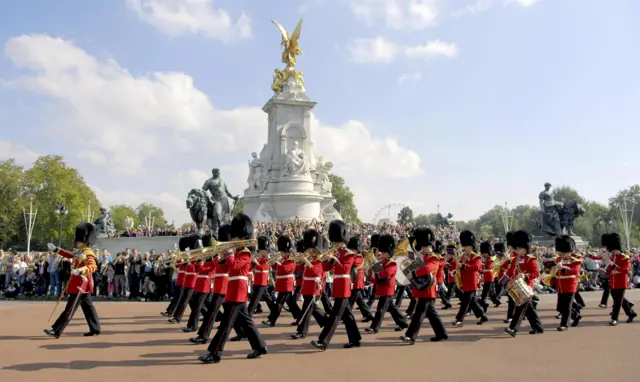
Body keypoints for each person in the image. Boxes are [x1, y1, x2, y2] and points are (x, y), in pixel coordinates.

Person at [198, 213, 267, 364]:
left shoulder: (246, 254)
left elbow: (234, 266)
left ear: (243, 238)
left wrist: (228, 255)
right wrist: (222, 257)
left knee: (225, 325)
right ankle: (260, 346)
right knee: (247, 323)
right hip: (234, 291)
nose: (233, 241)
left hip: (237, 292)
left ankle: (215, 353)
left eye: (235, 238)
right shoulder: (237, 253)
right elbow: (225, 267)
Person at [311, 220, 362, 350]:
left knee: (334, 316)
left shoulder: (349, 254)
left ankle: (323, 341)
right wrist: (323, 260)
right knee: (348, 316)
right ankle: (355, 339)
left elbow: (344, 269)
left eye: (336, 241)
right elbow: (327, 268)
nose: (334, 244)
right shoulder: (337, 253)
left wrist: (332, 259)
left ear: (342, 241)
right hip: (338, 285)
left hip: (344, 287)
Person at [44, 222, 101, 338]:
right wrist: (55, 249)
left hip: (81, 285)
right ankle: (95, 328)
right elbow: (69, 254)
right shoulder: (80, 251)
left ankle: (56, 330)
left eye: (79, 240)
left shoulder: (88, 253)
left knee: (69, 309)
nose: (76, 241)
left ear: (84, 240)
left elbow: (93, 267)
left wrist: (80, 271)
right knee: (88, 308)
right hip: (80, 285)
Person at [400, 227, 448, 344]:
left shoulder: (434, 258)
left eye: (424, 247)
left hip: (428, 289)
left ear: (429, 246)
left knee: (419, 313)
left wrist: (414, 273)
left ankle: (410, 336)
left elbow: (428, 268)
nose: (422, 249)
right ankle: (442, 334)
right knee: (431, 313)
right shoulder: (422, 257)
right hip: (423, 288)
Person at [189, 224, 231, 345]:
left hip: (223, 287)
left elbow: (228, 267)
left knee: (213, 312)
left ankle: (203, 335)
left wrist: (225, 255)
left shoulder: (224, 257)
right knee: (234, 314)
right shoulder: (217, 259)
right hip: (218, 288)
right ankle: (242, 331)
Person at [290, 228, 329, 339]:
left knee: (306, 309)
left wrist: (306, 261)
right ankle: (326, 321)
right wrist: (300, 262)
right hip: (307, 285)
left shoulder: (319, 259)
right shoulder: (311, 258)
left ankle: (301, 332)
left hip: (314, 286)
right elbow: (302, 270)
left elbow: (316, 271)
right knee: (312, 307)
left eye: (311, 249)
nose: (309, 251)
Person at [365, 234, 408, 334]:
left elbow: (386, 273)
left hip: (388, 289)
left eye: (384, 252)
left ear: (388, 253)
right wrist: (371, 274)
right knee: (392, 308)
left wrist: (376, 274)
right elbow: (377, 277)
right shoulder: (382, 262)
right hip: (383, 289)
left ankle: (374, 327)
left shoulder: (392, 263)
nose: (382, 254)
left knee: (380, 310)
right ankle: (403, 322)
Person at [505, 230, 544, 337]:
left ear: (525, 247)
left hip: (527, 287)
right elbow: (512, 272)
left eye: (519, 248)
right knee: (529, 310)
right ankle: (538, 327)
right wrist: (508, 281)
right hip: (518, 287)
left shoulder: (531, 259)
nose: (517, 250)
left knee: (520, 308)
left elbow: (536, 273)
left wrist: (525, 276)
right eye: (516, 248)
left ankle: (513, 328)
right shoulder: (515, 260)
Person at [453, 230, 488, 327]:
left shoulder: (476, 257)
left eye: (466, 246)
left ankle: (459, 320)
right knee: (472, 302)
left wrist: (463, 266)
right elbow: (459, 265)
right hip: (465, 281)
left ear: (471, 246)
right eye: (464, 246)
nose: (465, 248)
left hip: (472, 281)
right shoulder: (464, 256)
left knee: (465, 302)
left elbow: (477, 268)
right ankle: (482, 315)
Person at [262, 236, 298, 327]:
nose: (281, 254)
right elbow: (278, 269)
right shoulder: (284, 259)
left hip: (287, 284)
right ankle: (300, 317)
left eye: (282, 252)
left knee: (279, 304)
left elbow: (285, 269)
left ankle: (271, 320)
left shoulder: (291, 260)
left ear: (287, 252)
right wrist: (272, 263)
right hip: (282, 284)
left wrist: (277, 262)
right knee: (291, 303)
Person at [603, 233, 637, 326]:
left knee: (617, 302)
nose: (612, 251)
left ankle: (614, 319)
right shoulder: (613, 257)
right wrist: (607, 271)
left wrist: (615, 267)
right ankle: (631, 313)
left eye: (613, 250)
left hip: (621, 282)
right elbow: (610, 269)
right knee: (619, 300)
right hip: (613, 282)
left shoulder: (625, 258)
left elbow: (625, 270)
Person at [553, 235, 582, 331]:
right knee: (560, 307)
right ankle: (576, 315)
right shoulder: (558, 259)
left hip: (570, 285)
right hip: (560, 285)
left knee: (567, 306)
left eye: (562, 251)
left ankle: (564, 325)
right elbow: (554, 272)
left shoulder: (575, 260)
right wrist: (554, 269)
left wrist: (564, 268)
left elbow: (575, 271)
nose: (560, 253)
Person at [348, 236, 374, 322]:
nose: (351, 251)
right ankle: (369, 315)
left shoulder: (359, 257)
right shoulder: (354, 256)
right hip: (354, 281)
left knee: (351, 301)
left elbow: (353, 263)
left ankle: (347, 316)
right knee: (360, 300)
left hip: (357, 281)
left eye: (352, 249)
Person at [248, 236, 271, 316]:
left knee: (255, 298)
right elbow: (251, 267)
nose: (260, 251)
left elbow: (263, 268)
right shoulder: (259, 257)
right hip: (257, 280)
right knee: (267, 299)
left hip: (262, 280)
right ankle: (275, 309)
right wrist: (252, 261)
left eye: (262, 250)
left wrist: (255, 262)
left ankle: (249, 313)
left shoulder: (267, 258)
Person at [478, 241, 500, 312]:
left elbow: (491, 266)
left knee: (484, 293)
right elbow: (483, 269)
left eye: (485, 252)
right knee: (491, 292)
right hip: (486, 277)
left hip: (490, 277)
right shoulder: (485, 258)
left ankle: (484, 305)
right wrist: (482, 278)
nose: (484, 254)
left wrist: (482, 261)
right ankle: (496, 301)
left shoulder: (492, 258)